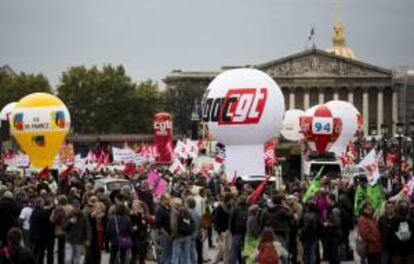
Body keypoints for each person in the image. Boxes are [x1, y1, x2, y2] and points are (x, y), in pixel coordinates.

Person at [170, 197, 194, 264]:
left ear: (175, 204)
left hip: (178, 236)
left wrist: (174, 235)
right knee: (187, 255)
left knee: (175, 256)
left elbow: (173, 225)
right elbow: (192, 222)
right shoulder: (186, 211)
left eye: (172, 203)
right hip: (187, 236)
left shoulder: (174, 212)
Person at [29, 197, 51, 264]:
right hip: (41, 234)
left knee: (35, 250)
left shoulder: (34, 211)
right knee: (41, 251)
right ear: (41, 203)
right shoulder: (44, 212)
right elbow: (48, 222)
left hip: (34, 233)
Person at [323, 194, 342, 264]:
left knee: (334, 254)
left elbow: (336, 223)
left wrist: (327, 224)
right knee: (331, 253)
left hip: (334, 234)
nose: (327, 201)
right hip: (331, 234)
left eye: (328, 199)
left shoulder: (334, 210)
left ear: (331, 200)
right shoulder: (330, 209)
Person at [229, 195, 248, 264]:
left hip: (236, 232)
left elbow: (231, 221)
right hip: (246, 233)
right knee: (245, 251)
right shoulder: (247, 209)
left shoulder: (235, 209)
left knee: (234, 251)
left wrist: (231, 231)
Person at [130, 200, 150, 264]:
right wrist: (139, 225)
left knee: (142, 256)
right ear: (132, 208)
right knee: (134, 256)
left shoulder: (142, 216)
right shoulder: (131, 216)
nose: (136, 208)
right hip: (134, 238)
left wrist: (140, 225)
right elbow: (133, 227)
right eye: (135, 206)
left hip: (142, 237)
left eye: (138, 207)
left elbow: (144, 225)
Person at [155, 194, 172, 264]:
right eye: (168, 199)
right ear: (163, 200)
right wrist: (165, 234)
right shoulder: (159, 210)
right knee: (164, 252)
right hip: (164, 234)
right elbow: (158, 224)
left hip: (170, 233)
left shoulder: (168, 208)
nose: (169, 200)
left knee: (169, 252)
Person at [187, 197, 201, 264]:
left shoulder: (187, 212)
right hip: (195, 234)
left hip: (189, 234)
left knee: (188, 253)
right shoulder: (197, 213)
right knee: (193, 251)